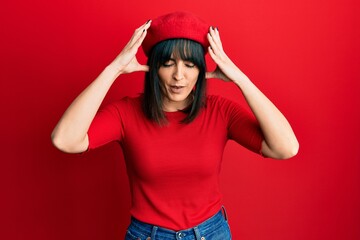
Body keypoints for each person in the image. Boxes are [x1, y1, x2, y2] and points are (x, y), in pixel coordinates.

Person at [51, 11, 299, 240]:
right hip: (148, 235)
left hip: (211, 233)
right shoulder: (126, 113)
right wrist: (113, 69)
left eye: (190, 65)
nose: (179, 76)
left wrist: (240, 79)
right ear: (153, 68)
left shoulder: (220, 111)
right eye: (168, 63)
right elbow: (65, 140)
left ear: (201, 69)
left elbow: (285, 148)